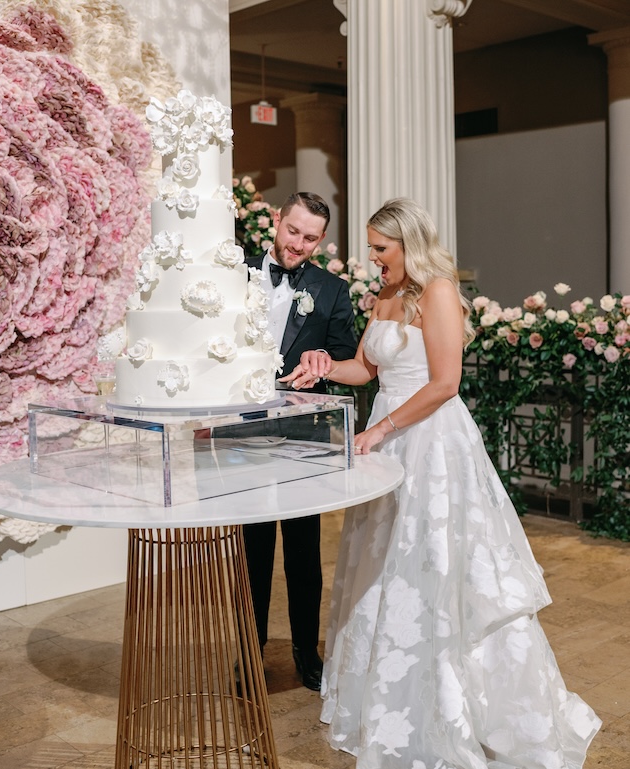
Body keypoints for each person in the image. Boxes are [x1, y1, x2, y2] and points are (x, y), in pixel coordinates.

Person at [281, 198, 601, 767]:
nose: (374, 259)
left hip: (430, 443)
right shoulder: (383, 294)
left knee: (433, 563)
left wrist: (381, 429)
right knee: (383, 565)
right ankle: (389, 695)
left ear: (410, 244)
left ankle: (453, 702)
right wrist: (323, 365)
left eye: (381, 249)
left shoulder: (439, 292)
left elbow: (445, 383)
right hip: (385, 442)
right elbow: (367, 370)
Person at [243, 191, 357, 691]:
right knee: (252, 551)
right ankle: (249, 655)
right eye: (293, 231)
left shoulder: (331, 290)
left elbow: (345, 355)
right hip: (242, 430)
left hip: (303, 434)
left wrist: (322, 364)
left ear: (322, 240)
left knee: (304, 550)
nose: (298, 244)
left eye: (310, 238)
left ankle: (307, 654)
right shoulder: (234, 274)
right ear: (277, 220)